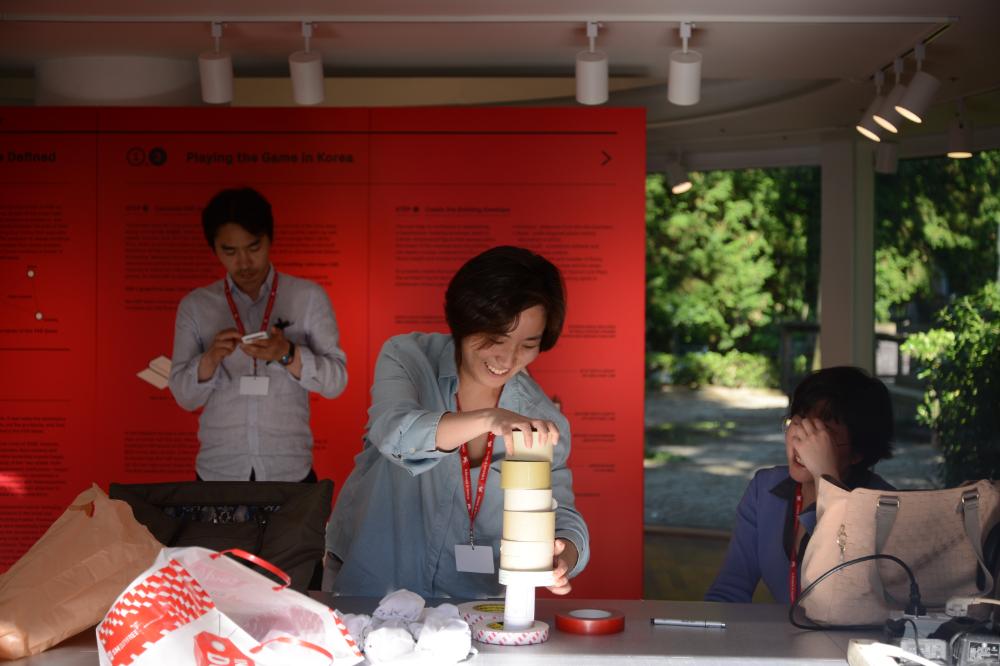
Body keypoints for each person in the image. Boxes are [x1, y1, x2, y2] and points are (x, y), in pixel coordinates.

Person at [324, 245, 590, 598]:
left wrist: (565, 553)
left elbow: (561, 511)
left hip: (472, 606)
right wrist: (488, 419)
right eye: (495, 338)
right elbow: (394, 434)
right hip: (372, 585)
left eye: (527, 345)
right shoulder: (408, 356)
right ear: (466, 320)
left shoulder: (541, 417)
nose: (507, 359)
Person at [168, 187, 348, 482]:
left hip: (289, 471)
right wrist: (210, 359)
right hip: (219, 471)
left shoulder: (308, 297)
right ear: (214, 248)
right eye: (230, 251)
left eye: (253, 248)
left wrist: (287, 353)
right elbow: (184, 397)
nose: (244, 262)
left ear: (269, 239)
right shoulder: (196, 306)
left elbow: (336, 381)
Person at [704, 366, 895, 603]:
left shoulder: (884, 504)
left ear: (857, 453)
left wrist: (826, 479)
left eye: (821, 435)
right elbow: (730, 590)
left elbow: (847, 596)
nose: (802, 442)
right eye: (800, 423)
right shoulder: (765, 490)